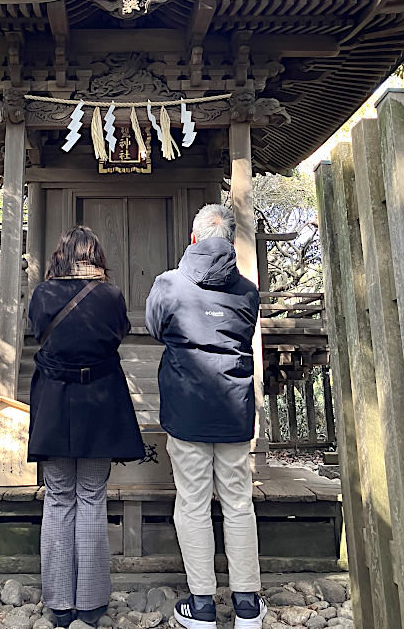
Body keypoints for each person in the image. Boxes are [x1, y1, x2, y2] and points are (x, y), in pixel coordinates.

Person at [145, 204, 266, 629]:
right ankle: (248, 603)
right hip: (234, 412)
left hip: (187, 410)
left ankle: (201, 606)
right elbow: (245, 332)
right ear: (231, 241)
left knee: (192, 505)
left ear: (194, 239)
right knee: (238, 503)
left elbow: (156, 328)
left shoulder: (169, 284)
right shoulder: (247, 292)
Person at [28, 226, 145, 628]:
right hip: (100, 403)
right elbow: (119, 335)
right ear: (95, 255)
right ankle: (92, 603)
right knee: (92, 497)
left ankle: (60, 604)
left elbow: (36, 332)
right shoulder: (110, 296)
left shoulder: (43, 295)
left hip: (56, 406)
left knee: (59, 498)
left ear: (60, 255)